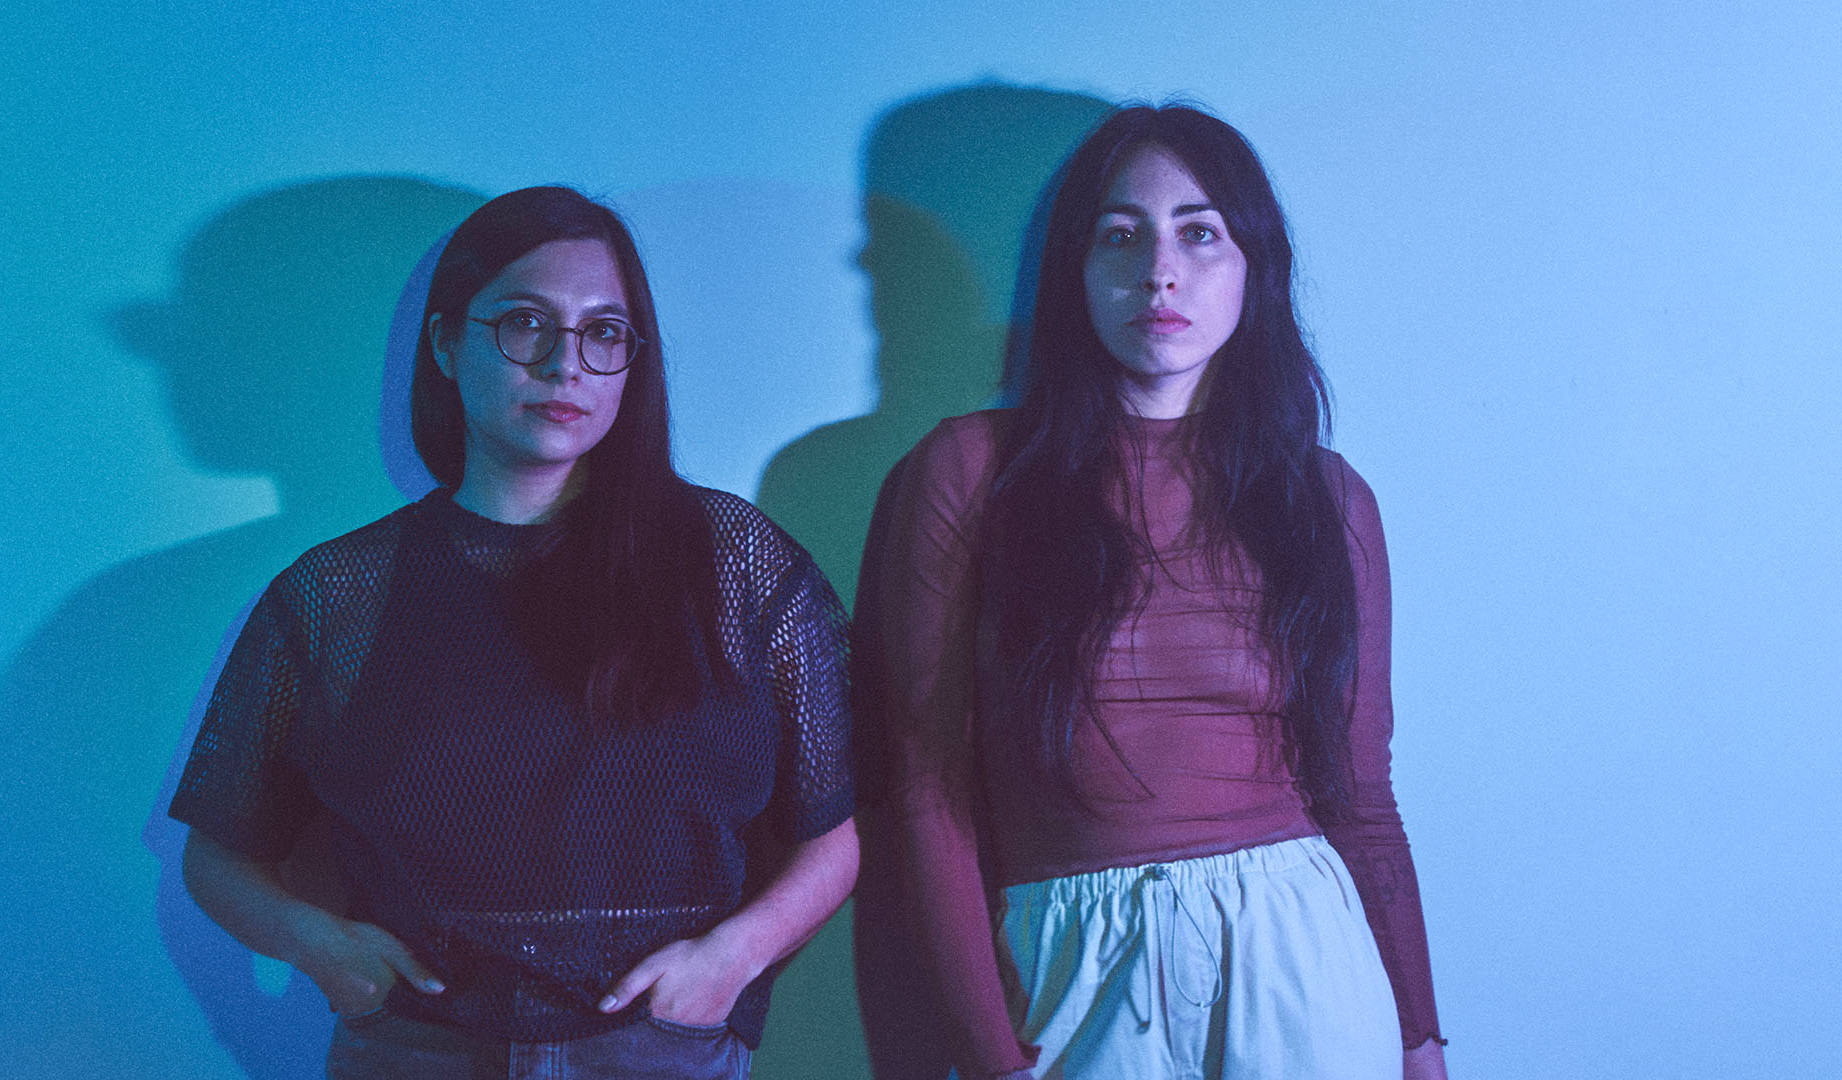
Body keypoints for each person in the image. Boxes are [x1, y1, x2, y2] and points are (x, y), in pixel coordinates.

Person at [170, 185, 857, 1080]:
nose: (565, 365)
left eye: (603, 332)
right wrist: (326, 950)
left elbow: (830, 835)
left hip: (658, 1051)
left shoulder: (732, 565)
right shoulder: (339, 595)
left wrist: (731, 960)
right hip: (418, 1050)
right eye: (526, 323)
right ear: (446, 344)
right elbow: (217, 855)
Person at [854, 106, 1448, 1080]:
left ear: (1253, 267)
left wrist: (1420, 1039)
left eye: (1199, 233)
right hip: (1075, 966)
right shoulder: (970, 470)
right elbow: (926, 791)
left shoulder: (1328, 500)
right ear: (1075, 268)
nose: (1159, 271)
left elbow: (1362, 797)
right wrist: (991, 1061)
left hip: (1301, 959)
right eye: (1121, 235)